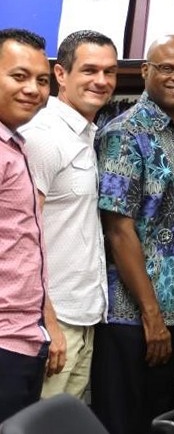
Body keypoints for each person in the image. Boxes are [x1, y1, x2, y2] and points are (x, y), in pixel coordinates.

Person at [93, 35, 174, 434]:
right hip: (133, 315)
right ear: (146, 71)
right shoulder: (124, 133)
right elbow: (118, 229)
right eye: (167, 68)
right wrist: (151, 315)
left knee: (165, 424)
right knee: (127, 423)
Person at [19, 30, 118, 400]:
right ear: (61, 74)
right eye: (89, 70)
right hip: (53, 318)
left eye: (109, 72)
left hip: (86, 315)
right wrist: (47, 324)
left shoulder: (88, 134)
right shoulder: (43, 136)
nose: (102, 81)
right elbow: (23, 238)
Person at [0, 28, 52, 423]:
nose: (33, 89)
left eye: (42, 80)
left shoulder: (15, 145)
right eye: (19, 76)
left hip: (24, 337)